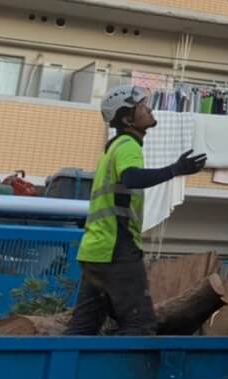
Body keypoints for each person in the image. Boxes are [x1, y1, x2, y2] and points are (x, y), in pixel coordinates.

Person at [64, 85, 206, 335]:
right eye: (142, 106)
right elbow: (132, 178)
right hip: (116, 248)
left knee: (83, 327)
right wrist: (175, 170)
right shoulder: (128, 145)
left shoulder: (113, 149)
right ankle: (116, 373)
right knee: (139, 325)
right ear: (128, 119)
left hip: (96, 249)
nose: (149, 109)